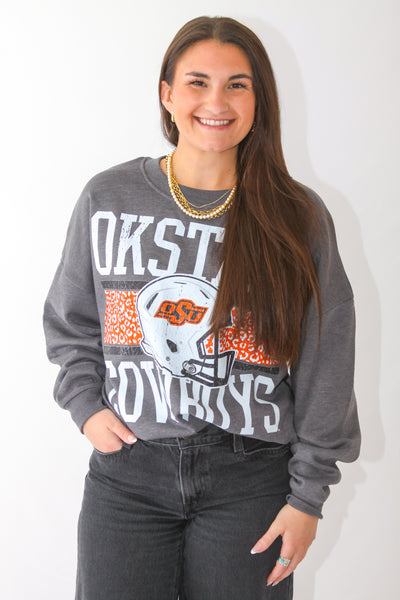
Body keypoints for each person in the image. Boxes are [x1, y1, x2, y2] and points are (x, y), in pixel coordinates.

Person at [43, 15, 361, 600]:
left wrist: (308, 498)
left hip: (251, 479)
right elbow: (73, 322)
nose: (216, 102)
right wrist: (86, 407)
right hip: (129, 476)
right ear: (167, 94)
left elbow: (328, 358)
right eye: (197, 82)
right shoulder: (108, 198)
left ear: (259, 101)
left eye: (237, 85)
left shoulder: (298, 216)